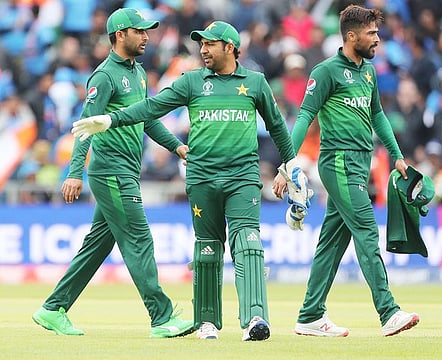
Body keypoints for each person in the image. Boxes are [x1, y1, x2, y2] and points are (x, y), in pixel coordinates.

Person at [71, 20, 310, 341]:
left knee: (248, 242)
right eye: (201, 44)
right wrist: (111, 119)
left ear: (230, 47)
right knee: (208, 249)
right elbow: (150, 108)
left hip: (243, 178)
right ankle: (207, 322)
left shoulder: (255, 83)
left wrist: (289, 164)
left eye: (210, 44)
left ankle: (255, 318)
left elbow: (278, 127)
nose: (203, 49)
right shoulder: (192, 82)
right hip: (201, 178)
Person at [32, 8, 194, 338]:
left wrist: (177, 147)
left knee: (97, 245)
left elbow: (146, 118)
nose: (146, 36)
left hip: (125, 170)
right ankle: (162, 317)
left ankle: (52, 309)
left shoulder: (137, 73)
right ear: (120, 35)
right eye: (139, 31)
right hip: (112, 172)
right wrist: (75, 172)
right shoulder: (104, 76)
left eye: (147, 31)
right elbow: (84, 127)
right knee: (139, 239)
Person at [272, 4, 420, 337]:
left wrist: (396, 155)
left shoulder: (368, 72)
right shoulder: (325, 72)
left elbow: (378, 115)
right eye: (371, 33)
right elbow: (305, 117)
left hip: (360, 163)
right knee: (366, 229)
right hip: (337, 161)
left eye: (378, 33)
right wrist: (286, 164)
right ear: (350, 36)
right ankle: (389, 311)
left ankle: (310, 316)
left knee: (332, 241)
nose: (377, 39)